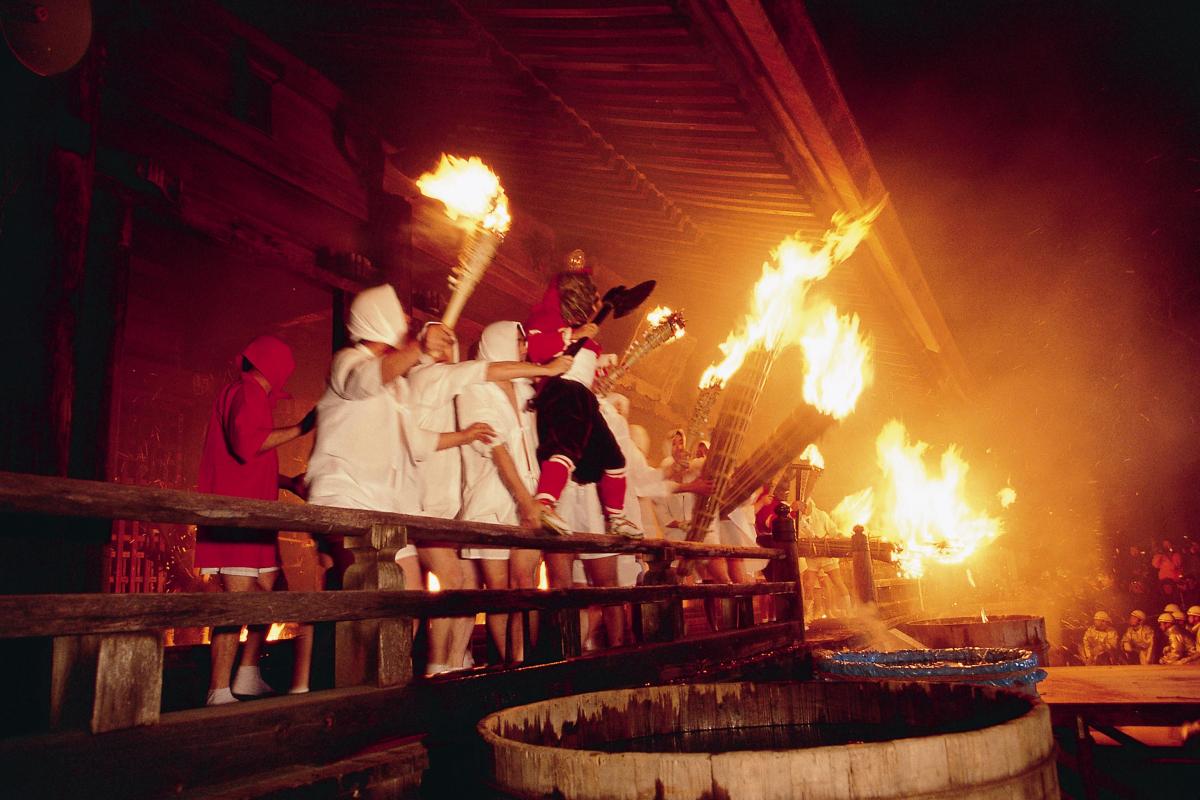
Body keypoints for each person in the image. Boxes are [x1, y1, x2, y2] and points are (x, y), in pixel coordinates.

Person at [196, 335, 314, 706]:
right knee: (239, 605)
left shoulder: (248, 395)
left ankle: (246, 674)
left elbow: (246, 463)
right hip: (237, 520)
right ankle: (218, 690)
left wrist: (288, 483)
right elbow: (247, 445)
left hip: (254, 520)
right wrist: (301, 429)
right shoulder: (247, 392)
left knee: (273, 596)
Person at [524, 253, 642, 539]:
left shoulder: (585, 334)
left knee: (614, 458)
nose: (595, 303)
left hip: (584, 398)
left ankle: (616, 518)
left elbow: (585, 369)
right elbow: (536, 349)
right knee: (563, 449)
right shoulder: (547, 322)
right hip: (562, 392)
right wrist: (574, 335)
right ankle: (545, 505)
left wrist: (602, 368)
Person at [456, 321, 546, 663]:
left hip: (531, 495)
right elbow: (495, 447)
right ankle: (511, 662)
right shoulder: (474, 388)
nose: (524, 348)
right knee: (499, 592)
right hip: (490, 500)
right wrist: (524, 500)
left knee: (526, 584)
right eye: (519, 341)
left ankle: (528, 662)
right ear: (499, 343)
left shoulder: (527, 390)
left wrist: (538, 496)